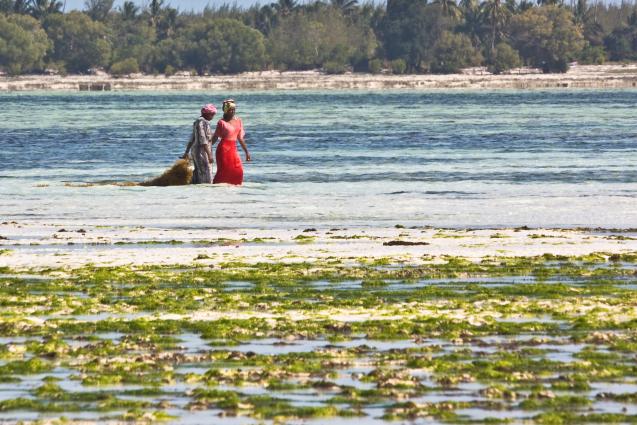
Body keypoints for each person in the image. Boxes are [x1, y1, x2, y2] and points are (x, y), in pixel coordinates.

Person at [212, 99, 251, 185]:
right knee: (224, 170)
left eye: (234, 109)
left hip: (233, 149)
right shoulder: (221, 122)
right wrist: (207, 147)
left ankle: (235, 187)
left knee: (238, 170)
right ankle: (217, 186)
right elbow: (215, 137)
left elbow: (240, 138)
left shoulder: (239, 121)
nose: (232, 111)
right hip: (223, 150)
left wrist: (247, 152)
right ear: (226, 110)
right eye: (230, 109)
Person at [182, 104, 216, 184]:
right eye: (212, 114)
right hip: (201, 152)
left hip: (196, 151)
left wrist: (186, 152)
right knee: (206, 172)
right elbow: (203, 139)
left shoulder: (197, 121)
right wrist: (209, 155)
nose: (213, 117)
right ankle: (204, 189)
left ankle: (196, 188)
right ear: (206, 113)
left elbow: (192, 138)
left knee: (198, 172)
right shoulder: (202, 122)